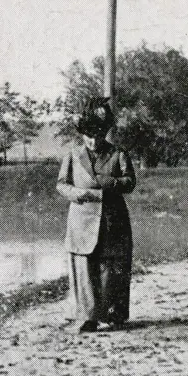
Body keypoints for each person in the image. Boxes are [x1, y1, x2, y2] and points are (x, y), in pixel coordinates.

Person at [56, 97, 137, 333]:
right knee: (83, 267)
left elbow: (130, 182)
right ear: (82, 134)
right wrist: (78, 193)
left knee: (110, 268)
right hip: (82, 220)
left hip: (112, 219)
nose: (93, 141)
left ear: (105, 133)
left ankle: (112, 314)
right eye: (88, 136)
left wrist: (106, 184)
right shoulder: (72, 155)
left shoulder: (118, 154)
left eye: (98, 136)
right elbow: (61, 184)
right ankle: (86, 316)